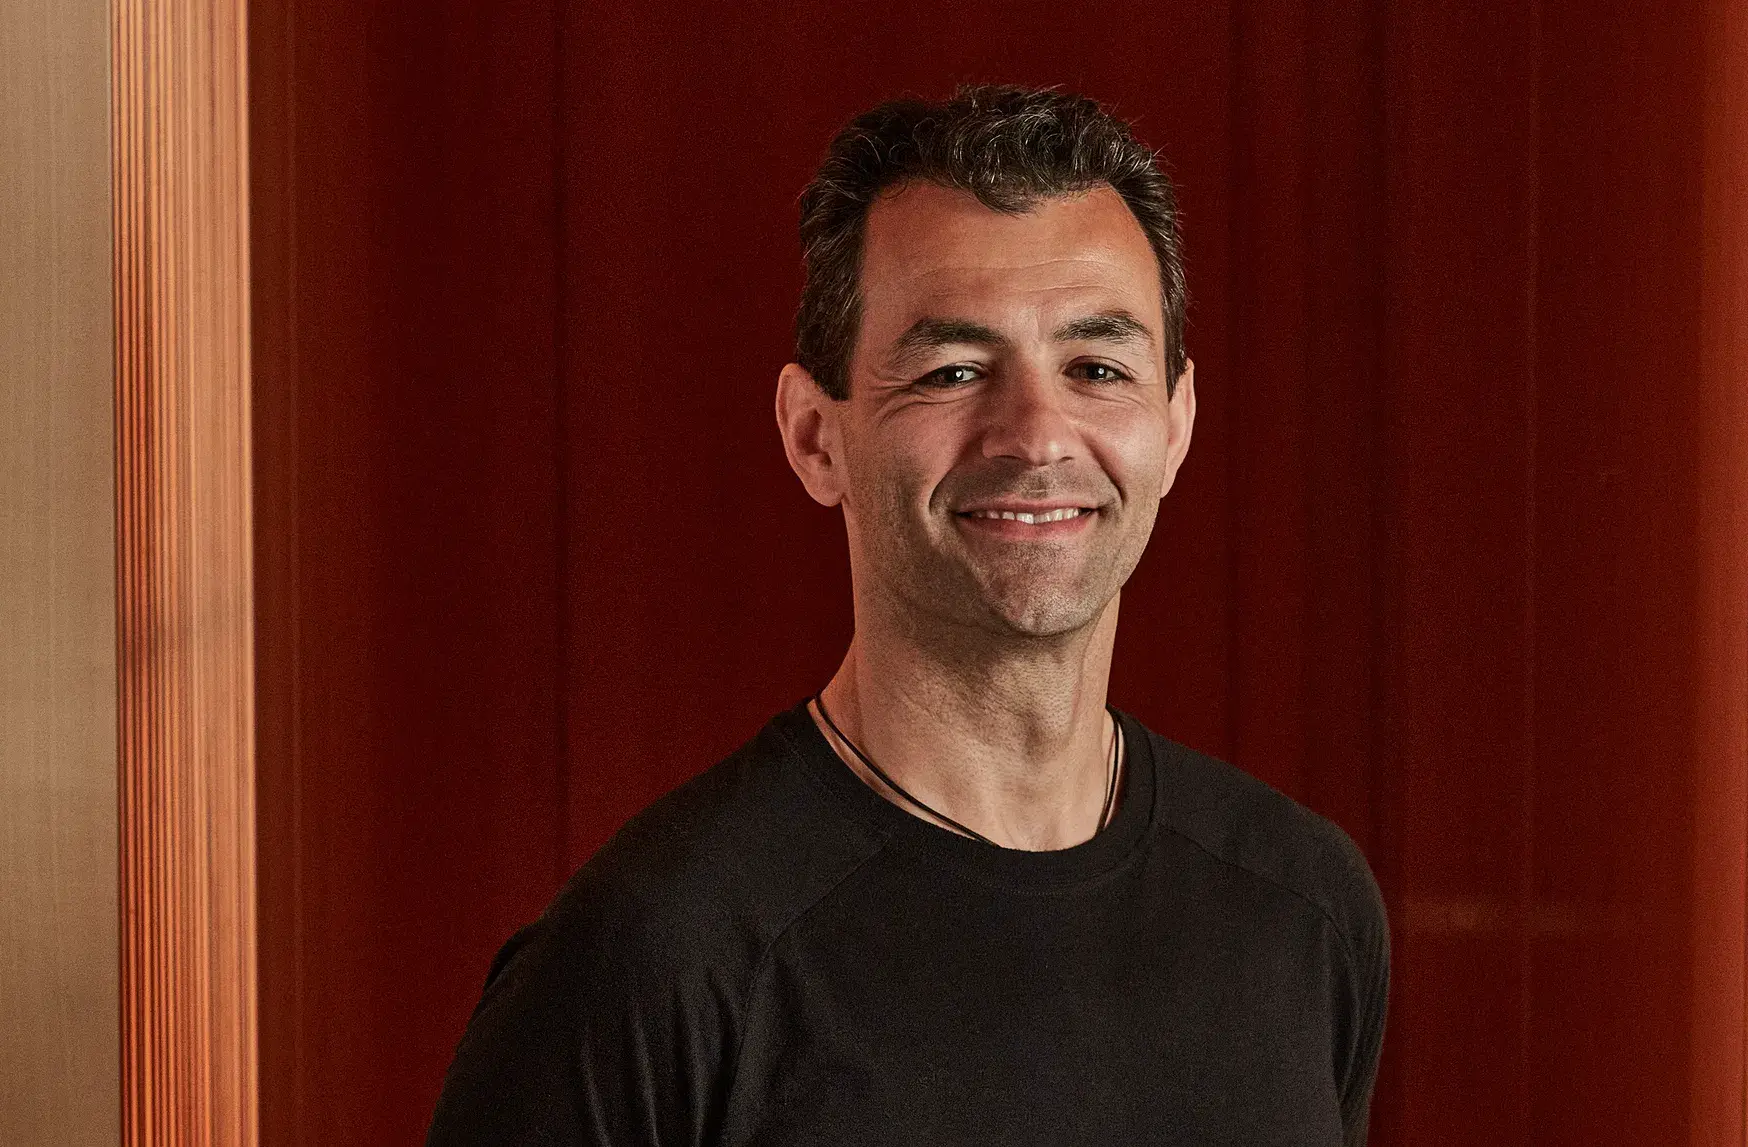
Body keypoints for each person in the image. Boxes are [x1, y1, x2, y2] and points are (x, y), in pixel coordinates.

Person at [427, 83, 1389, 1146]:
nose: (1034, 434)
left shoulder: (1300, 909)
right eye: (953, 369)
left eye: (1096, 367)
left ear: (1175, 422)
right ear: (812, 436)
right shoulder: (655, 960)